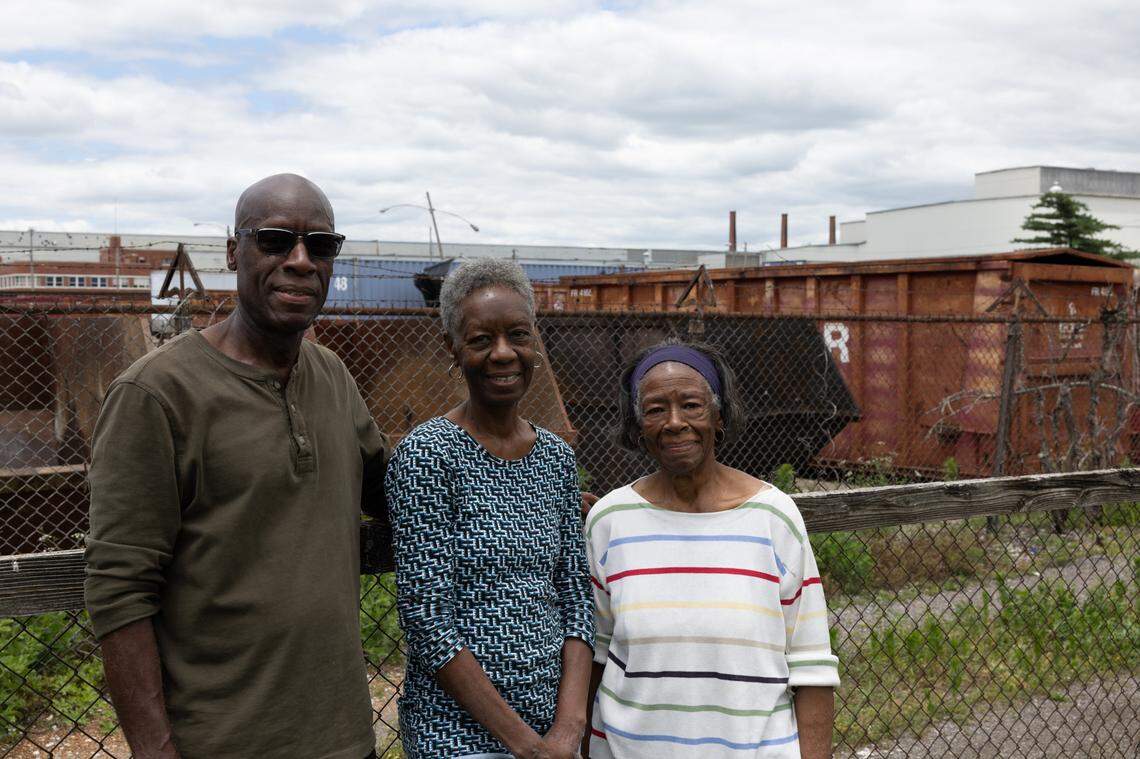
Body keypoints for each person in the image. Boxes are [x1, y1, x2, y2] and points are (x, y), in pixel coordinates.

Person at [84, 174, 387, 759]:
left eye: (320, 246)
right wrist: (154, 748)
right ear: (233, 252)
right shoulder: (156, 394)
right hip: (221, 742)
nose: (300, 261)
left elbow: (398, 495)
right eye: (275, 241)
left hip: (345, 740)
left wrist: (529, 491)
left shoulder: (332, 377)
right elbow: (119, 588)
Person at [583, 340, 838, 759]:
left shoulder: (773, 517)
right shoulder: (610, 521)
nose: (674, 422)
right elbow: (594, 655)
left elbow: (812, 665)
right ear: (637, 425)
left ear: (719, 416)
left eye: (692, 405)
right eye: (654, 409)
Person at [386, 258, 594, 758]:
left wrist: (568, 727)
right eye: (481, 340)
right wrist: (524, 745)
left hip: (552, 732)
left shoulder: (555, 458)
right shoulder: (428, 455)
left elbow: (575, 599)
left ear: (535, 342)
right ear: (452, 350)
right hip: (457, 738)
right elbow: (428, 617)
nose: (504, 354)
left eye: (518, 335)